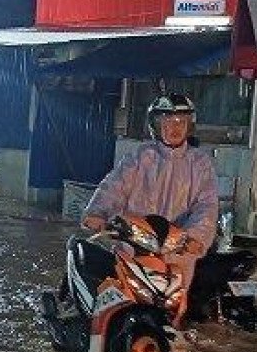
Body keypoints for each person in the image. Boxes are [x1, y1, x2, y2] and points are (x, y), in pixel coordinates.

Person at [59, 94, 219, 312]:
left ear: (190, 125)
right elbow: (114, 187)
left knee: (176, 314)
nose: (175, 127)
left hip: (178, 254)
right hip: (134, 247)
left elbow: (207, 206)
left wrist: (195, 237)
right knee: (110, 304)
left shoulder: (200, 164)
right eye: (167, 121)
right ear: (155, 125)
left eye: (181, 121)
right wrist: (97, 213)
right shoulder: (140, 157)